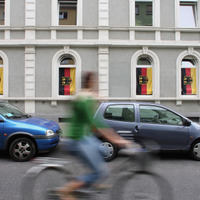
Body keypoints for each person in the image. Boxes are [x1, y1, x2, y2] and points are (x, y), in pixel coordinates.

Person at [57, 72, 131, 200]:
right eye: (95, 82)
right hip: (76, 139)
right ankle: (65, 191)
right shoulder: (83, 100)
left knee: (103, 150)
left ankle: (93, 180)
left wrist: (95, 97)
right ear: (90, 82)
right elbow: (95, 123)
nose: (96, 85)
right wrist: (116, 139)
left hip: (84, 136)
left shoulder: (86, 96)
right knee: (101, 172)